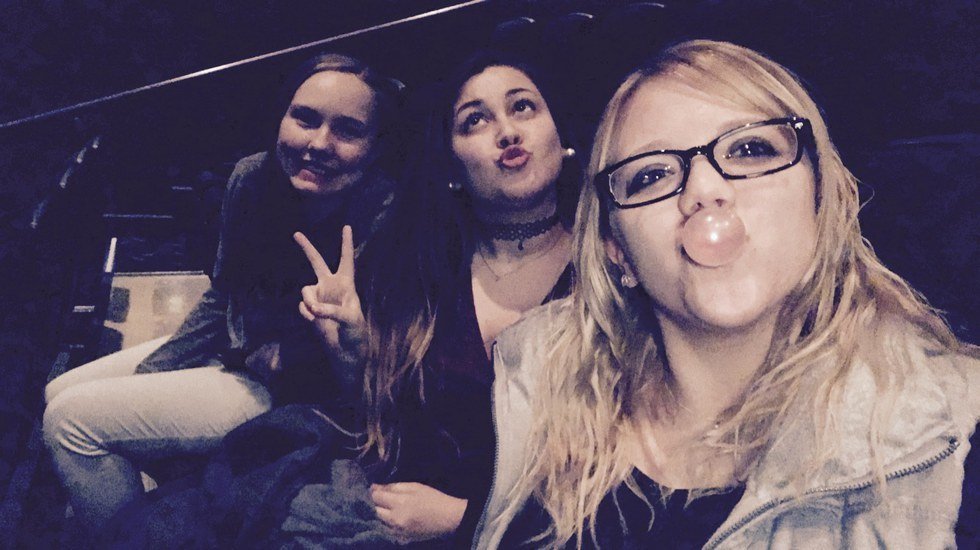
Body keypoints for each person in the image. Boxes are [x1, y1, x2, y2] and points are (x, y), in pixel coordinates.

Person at [473, 40, 980, 549]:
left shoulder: (952, 434)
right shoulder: (531, 386)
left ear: (819, 197)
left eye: (751, 149)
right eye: (651, 175)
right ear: (618, 250)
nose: (705, 190)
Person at [42, 52, 401, 535]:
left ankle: (138, 539)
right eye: (305, 118)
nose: (319, 143)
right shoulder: (253, 179)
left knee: (70, 422)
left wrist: (285, 354)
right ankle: (155, 520)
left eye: (348, 130)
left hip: (297, 395)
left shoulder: (386, 213)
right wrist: (158, 372)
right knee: (58, 391)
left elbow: (376, 361)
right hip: (238, 353)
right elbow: (223, 295)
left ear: (375, 147)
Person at [285, 49, 581, 547]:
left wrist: (465, 517)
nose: (507, 131)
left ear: (562, 137)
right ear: (453, 166)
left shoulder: (610, 270)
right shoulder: (427, 268)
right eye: (475, 121)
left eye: (523, 107)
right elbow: (384, 426)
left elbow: (634, 479)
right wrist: (354, 349)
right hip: (389, 521)